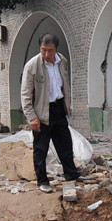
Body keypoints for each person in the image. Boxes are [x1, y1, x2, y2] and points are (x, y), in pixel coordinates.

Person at [21, 33, 80, 193]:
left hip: (59, 108)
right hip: (41, 112)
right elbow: (25, 94)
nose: (47, 54)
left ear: (56, 49)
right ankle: (42, 181)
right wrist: (32, 117)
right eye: (43, 50)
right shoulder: (32, 66)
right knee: (41, 148)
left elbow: (65, 85)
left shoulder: (62, 61)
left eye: (50, 50)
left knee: (65, 144)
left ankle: (71, 174)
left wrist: (67, 104)